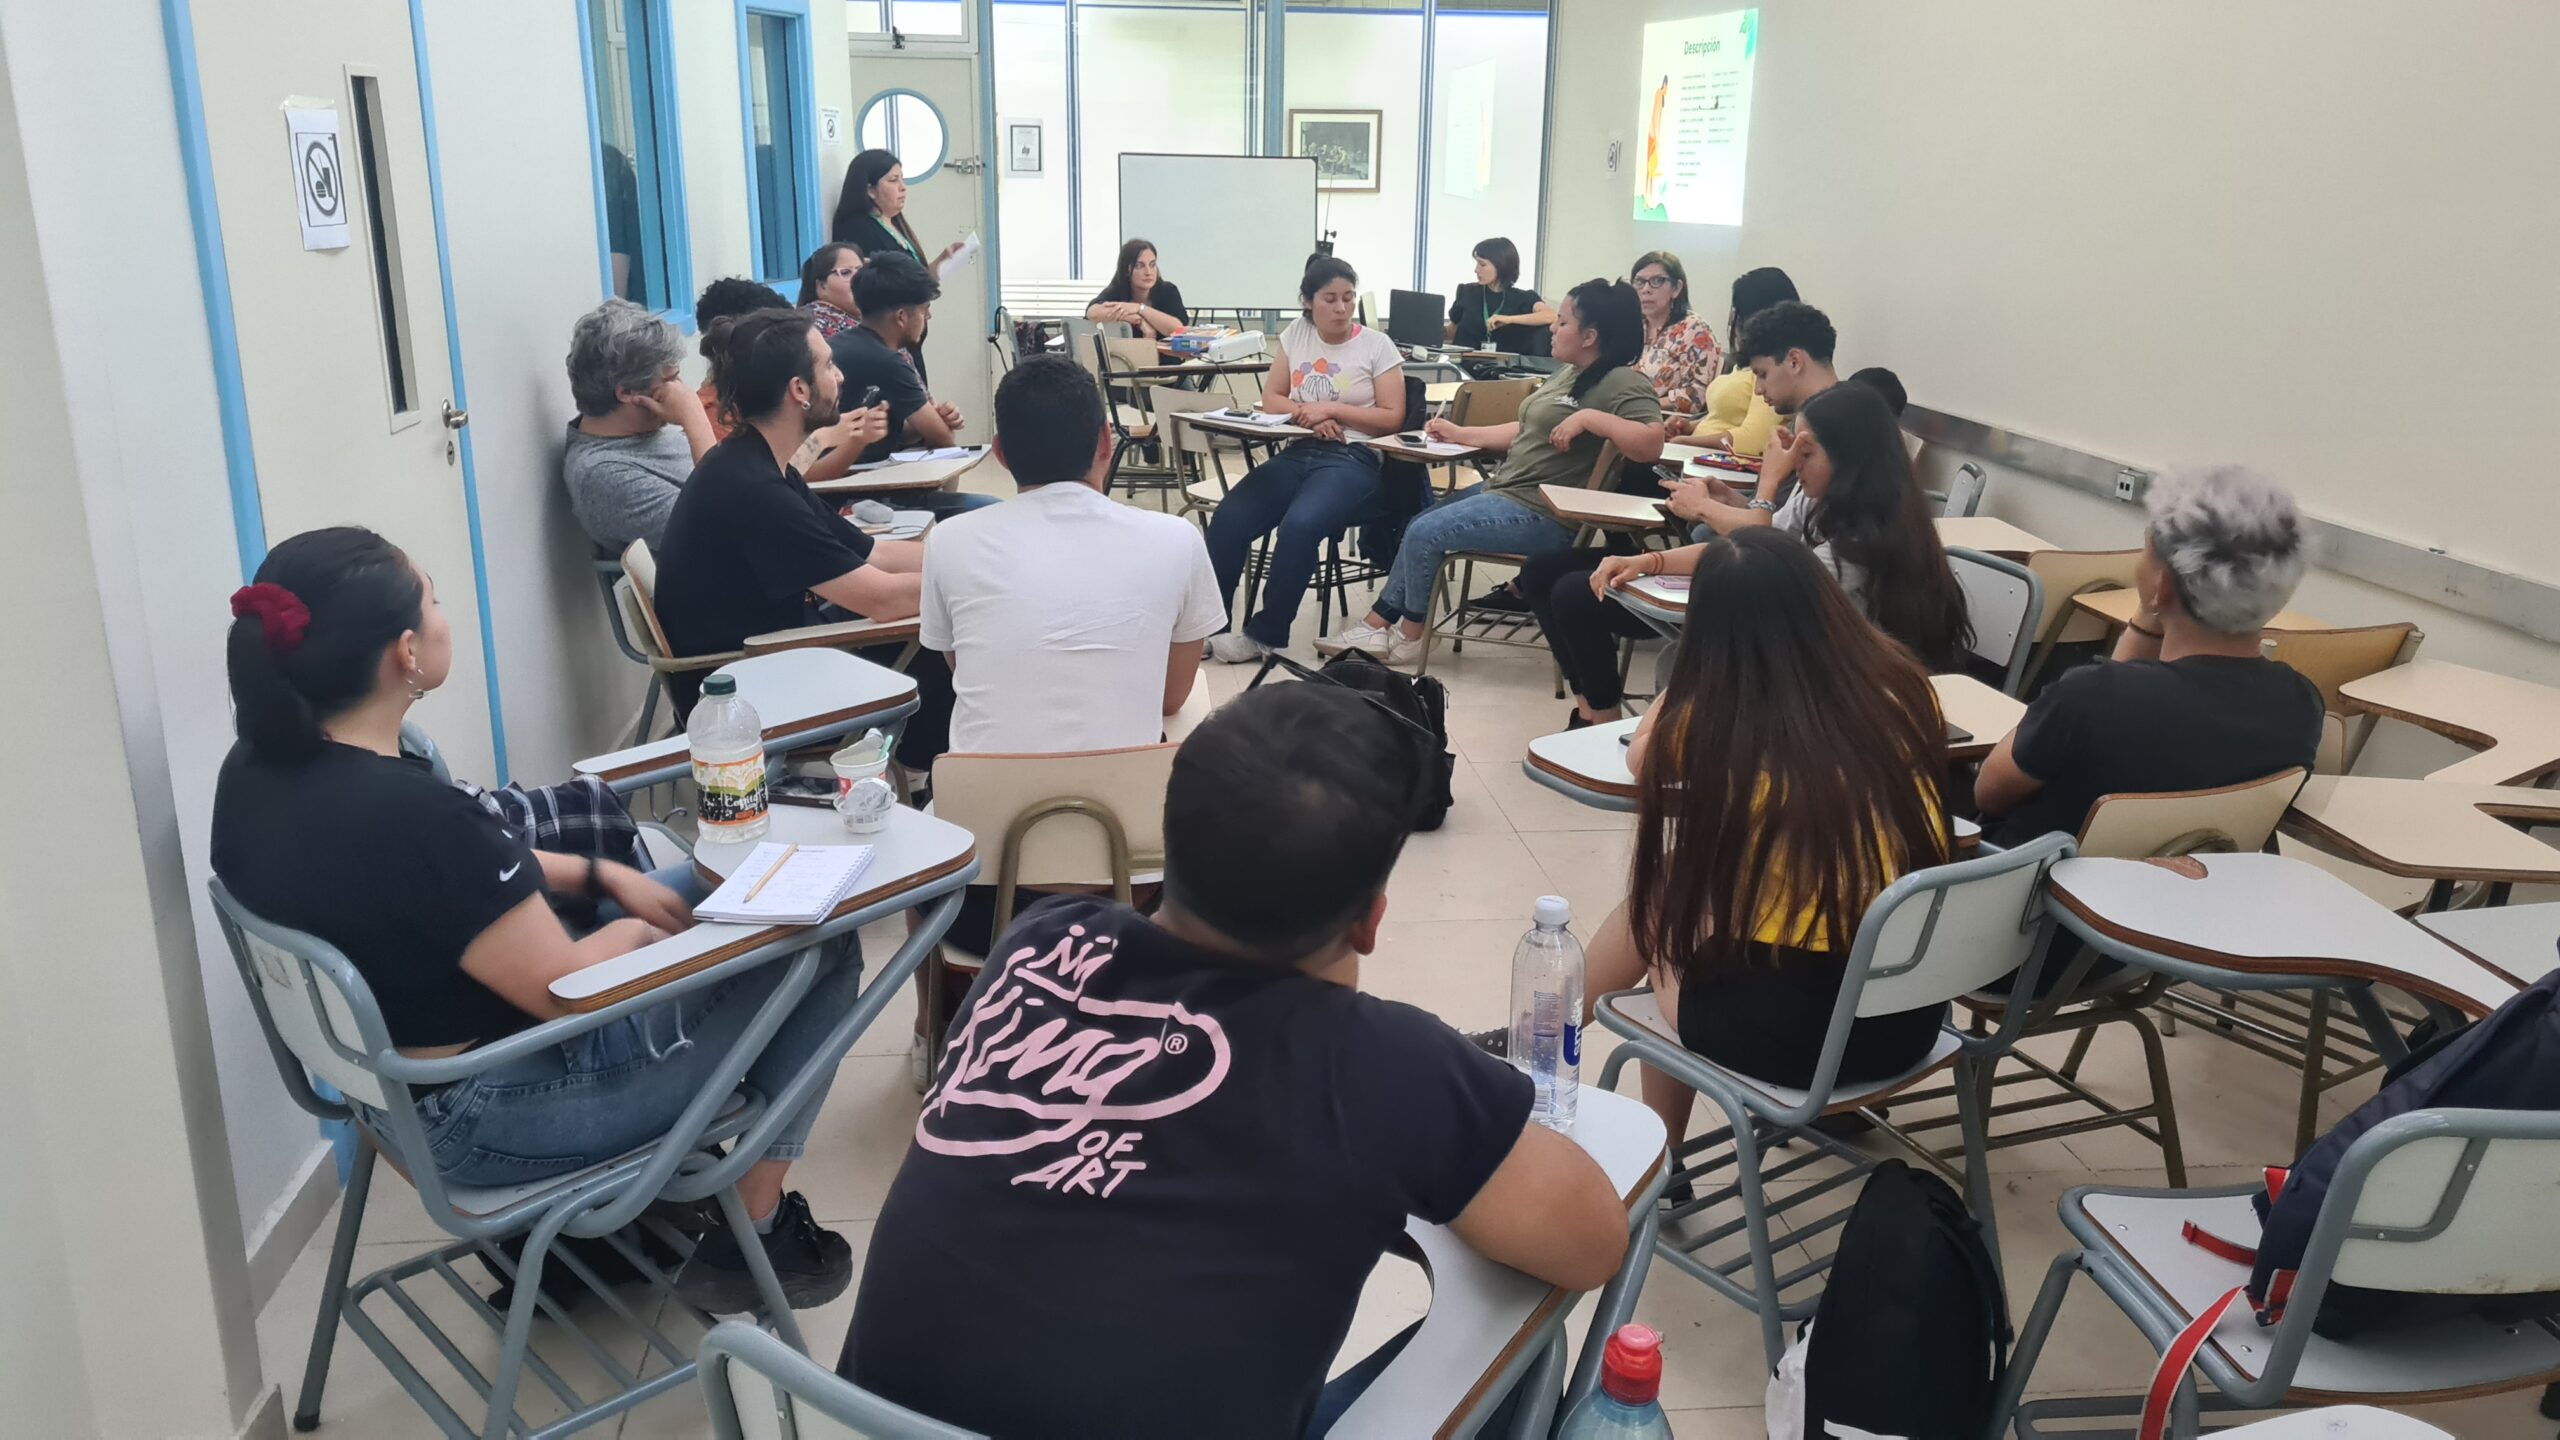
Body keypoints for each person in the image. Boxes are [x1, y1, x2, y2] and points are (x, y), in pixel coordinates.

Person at [841, 683, 1629, 1438]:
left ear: (1168, 845)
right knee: (1526, 1358)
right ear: (1370, 921)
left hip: (852, 1425)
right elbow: (1592, 1242)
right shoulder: (1380, 1063)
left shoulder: (1039, 946)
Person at [210, 527, 865, 1313]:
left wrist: (599, 874)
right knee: (820, 941)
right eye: (434, 601)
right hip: (489, 1115)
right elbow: (566, 990)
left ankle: (631, 1226)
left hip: (387, 1097)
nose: (444, 616)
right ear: (406, 653)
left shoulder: (257, 774)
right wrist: (646, 934)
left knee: (697, 884)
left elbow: (465, 875)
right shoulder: (414, 816)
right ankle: (752, 1229)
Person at [1579, 528, 1955, 1152]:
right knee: (1679, 878)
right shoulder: (1903, 688)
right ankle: (1547, 1034)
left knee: (1665, 911)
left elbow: (1641, 758)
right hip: (1910, 1017)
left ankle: (1585, 1081)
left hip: (1804, 1041)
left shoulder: (1729, 724)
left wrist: (1687, 683)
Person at [650, 308, 952, 768]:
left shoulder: (759, 463)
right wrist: (980, 585)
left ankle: (938, 770)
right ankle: (937, 772)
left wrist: (965, 559)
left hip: (774, 657)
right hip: (746, 692)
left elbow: (874, 553)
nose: (840, 375)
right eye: (828, 365)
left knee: (941, 625)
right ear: (799, 390)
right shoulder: (754, 490)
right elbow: (883, 598)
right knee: (946, 641)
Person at [1319, 278, 1663, 668]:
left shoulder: (1622, 380)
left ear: (1590, 337)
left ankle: (1411, 634)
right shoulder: (1570, 373)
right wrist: (1460, 433)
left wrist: (1590, 419)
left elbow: (1651, 444)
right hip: (1508, 491)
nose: (1552, 327)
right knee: (1420, 522)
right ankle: (1378, 624)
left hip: (1545, 514)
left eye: (1563, 322)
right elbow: (1525, 429)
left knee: (1426, 532)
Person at [1977, 466, 2323, 848]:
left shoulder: (2090, 698)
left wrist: (2153, 606)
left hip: (2031, 879)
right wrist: (2152, 612)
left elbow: (1988, 794)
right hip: (2189, 882)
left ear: (2164, 583)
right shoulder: (2301, 705)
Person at [1588, 381, 1969, 700]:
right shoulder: (1816, 498)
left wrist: (1768, 484)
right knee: (1681, 659)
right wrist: (1647, 562)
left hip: (1857, 686)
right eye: (1792, 449)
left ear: (1849, 460)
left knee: (1694, 664)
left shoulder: (1865, 538)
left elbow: (1764, 573)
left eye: (1807, 452)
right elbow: (1742, 548)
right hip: (1810, 656)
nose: (1792, 461)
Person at [1201, 257, 1408, 662]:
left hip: (1354, 458)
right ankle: (1210, 626)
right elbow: (1272, 397)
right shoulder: (1297, 333)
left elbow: (1392, 417)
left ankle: (1264, 636)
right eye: (1330, 299)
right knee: (1229, 518)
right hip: (1300, 449)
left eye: (1348, 298)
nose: (1341, 308)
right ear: (1307, 302)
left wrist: (1331, 410)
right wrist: (1306, 416)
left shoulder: (1377, 345)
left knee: (1299, 526)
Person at [824, 251, 996, 518]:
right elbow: (943, 440)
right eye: (925, 310)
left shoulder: (845, 344)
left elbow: (897, 432)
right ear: (902, 317)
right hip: (853, 495)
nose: (928, 318)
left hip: (840, 485)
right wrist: (941, 425)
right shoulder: (888, 361)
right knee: (989, 508)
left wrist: (933, 422)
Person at [560, 299, 713, 554]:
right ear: (628, 392)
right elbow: (724, 533)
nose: (681, 390)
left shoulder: (645, 432)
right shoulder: (603, 476)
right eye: (671, 379)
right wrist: (695, 419)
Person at [831, 149, 959, 382]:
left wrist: (938, 265)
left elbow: (907, 278)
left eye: (902, 179)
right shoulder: (858, 228)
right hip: (890, 335)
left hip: (910, 332)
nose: (903, 188)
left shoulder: (895, 224)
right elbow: (878, 284)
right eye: (893, 180)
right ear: (870, 190)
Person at [1678, 266, 1799, 453]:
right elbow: (1725, 418)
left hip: (1718, 461)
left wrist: (1685, 442)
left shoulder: (1771, 370)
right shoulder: (1747, 365)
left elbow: (1754, 439)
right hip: (1699, 456)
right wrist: (1690, 426)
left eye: (1736, 314)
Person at [1630, 250, 1721, 427]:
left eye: (1657, 281)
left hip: (1665, 423)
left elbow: (1697, 396)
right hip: (1627, 415)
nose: (1646, 289)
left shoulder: (1693, 330)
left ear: (1676, 288)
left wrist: (1642, 405)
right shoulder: (1633, 325)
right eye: (1639, 282)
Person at [1445, 236, 1554, 355]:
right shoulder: (1466, 292)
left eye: (1482, 264)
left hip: (1502, 365)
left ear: (1501, 266)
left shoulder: (1524, 298)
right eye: (1477, 263)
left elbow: (1551, 316)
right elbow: (1451, 331)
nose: (1476, 270)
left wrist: (1509, 319)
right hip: (1464, 362)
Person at [1085, 238, 1189, 339]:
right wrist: (1138, 320)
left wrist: (1140, 308)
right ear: (1126, 270)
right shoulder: (1116, 291)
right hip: (1127, 351)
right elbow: (1092, 312)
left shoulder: (1167, 291)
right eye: (1140, 266)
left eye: (1152, 265)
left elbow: (1178, 330)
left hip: (1163, 351)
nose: (1148, 272)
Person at [796, 242, 863, 339]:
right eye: (845, 272)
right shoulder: (816, 325)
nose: (859, 278)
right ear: (822, 286)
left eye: (861, 270)